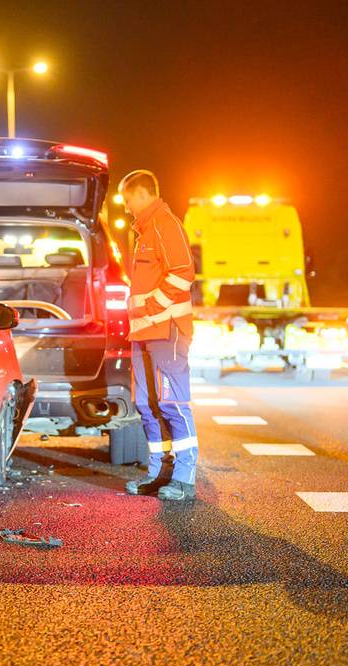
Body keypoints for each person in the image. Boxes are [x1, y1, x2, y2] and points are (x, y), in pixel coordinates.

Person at [119, 169, 198, 501]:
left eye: (127, 200)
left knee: (171, 404)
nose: (126, 208)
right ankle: (157, 472)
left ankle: (184, 477)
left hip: (167, 331)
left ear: (141, 195)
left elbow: (183, 274)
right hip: (144, 334)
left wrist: (150, 306)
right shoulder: (145, 231)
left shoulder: (165, 224)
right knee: (145, 404)